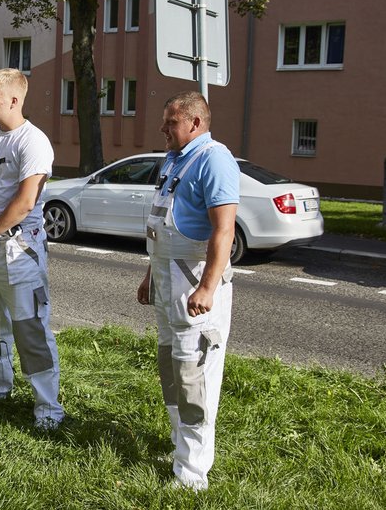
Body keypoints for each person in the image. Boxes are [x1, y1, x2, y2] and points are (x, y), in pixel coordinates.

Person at [136, 91, 239, 491]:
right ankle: (181, 444)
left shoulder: (215, 159)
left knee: (194, 372)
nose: (163, 128)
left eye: (170, 122)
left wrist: (208, 287)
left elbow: (224, 229)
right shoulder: (175, 158)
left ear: (195, 123)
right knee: (171, 365)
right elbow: (162, 228)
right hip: (166, 278)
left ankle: (193, 474)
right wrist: (150, 275)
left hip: (194, 284)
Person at [0, 68, 65, 430]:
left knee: (29, 327)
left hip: (20, 248)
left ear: (15, 100)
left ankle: (48, 407)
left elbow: (25, 200)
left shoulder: (33, 141)